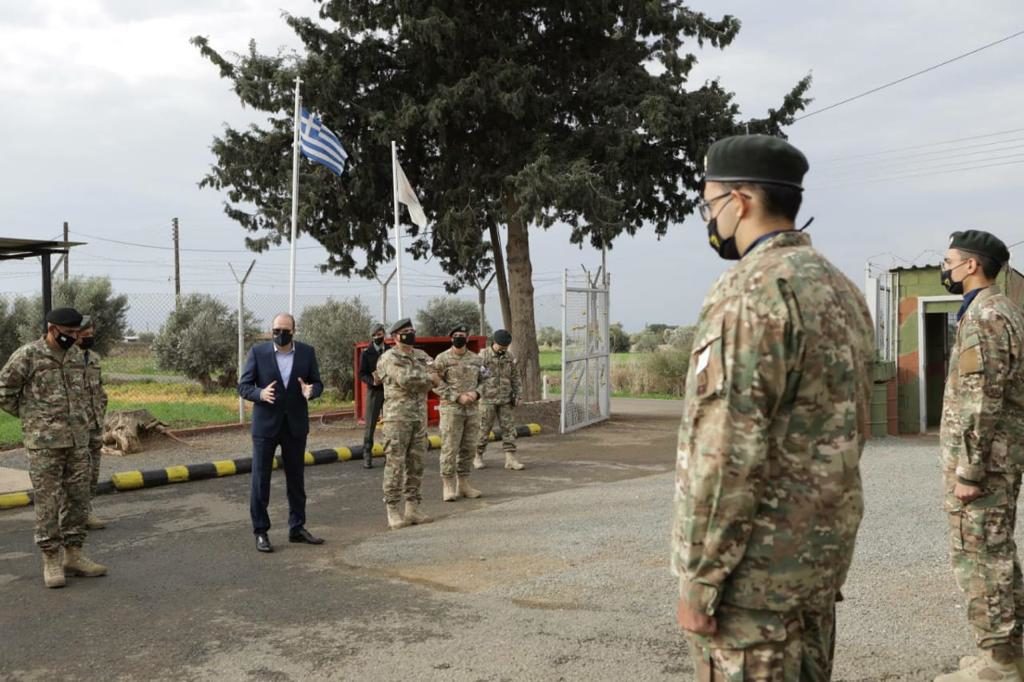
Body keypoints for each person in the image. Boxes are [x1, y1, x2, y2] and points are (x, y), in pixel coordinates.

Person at [671, 134, 874, 679]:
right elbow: (853, 425)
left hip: (752, 585)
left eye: (709, 204)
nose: (708, 218)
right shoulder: (842, 290)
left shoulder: (749, 291)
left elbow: (725, 450)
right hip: (815, 566)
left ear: (740, 202)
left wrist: (702, 578)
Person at [935, 230, 1024, 682]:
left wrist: (969, 470)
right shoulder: (997, 309)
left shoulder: (986, 315)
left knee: (981, 557)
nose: (945, 268)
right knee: (996, 553)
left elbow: (981, 397)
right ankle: (1009, 653)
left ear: (971, 265)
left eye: (949, 260)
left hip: (985, 465)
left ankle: (1001, 663)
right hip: (996, 459)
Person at [0, 307, 107, 588]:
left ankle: (74, 554)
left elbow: (87, 392)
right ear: (52, 329)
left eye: (76, 333)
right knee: (48, 502)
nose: (74, 338)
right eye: (69, 333)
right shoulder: (28, 355)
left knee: (77, 498)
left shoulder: (75, 355)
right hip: (44, 444)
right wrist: (33, 418)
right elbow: (5, 391)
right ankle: (51, 558)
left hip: (77, 440)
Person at [238, 313, 324, 553]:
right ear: (271, 330)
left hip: (295, 426)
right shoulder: (259, 353)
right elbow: (243, 386)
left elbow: (317, 383)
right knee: (260, 480)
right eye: (276, 330)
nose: (280, 334)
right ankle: (261, 531)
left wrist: (311, 390)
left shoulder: (307, 352)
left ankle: (297, 527)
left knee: (296, 479)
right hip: (266, 426)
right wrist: (260, 394)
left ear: (293, 331)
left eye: (285, 330)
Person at [376, 318, 437, 529]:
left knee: (417, 463)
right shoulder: (389, 357)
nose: (410, 334)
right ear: (395, 337)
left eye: (412, 330)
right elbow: (407, 380)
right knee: (395, 464)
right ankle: (392, 509)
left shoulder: (420, 355)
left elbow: (438, 372)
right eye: (405, 332)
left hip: (419, 418)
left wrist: (430, 377)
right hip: (397, 418)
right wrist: (430, 379)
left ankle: (413, 508)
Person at [432, 324, 487, 501]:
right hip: (451, 410)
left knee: (469, 447)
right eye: (455, 335)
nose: (459, 338)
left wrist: (476, 393)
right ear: (451, 338)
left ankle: (463, 484)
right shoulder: (442, 359)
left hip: (472, 410)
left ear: (467, 338)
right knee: (450, 447)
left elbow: (487, 380)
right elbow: (435, 383)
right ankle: (448, 486)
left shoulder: (477, 359)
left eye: (462, 335)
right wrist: (456, 396)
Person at [475, 329, 524, 471]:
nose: (503, 349)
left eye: (505, 347)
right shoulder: (482, 356)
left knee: (508, 429)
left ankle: (510, 459)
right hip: (487, 399)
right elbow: (475, 377)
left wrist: (518, 395)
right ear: (494, 343)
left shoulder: (509, 357)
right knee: (483, 429)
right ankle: (477, 456)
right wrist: (476, 394)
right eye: (501, 346)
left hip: (505, 399)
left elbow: (515, 377)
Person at [77, 316, 109, 530]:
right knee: (76, 471)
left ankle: (85, 511)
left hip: (94, 423)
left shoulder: (95, 359)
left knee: (92, 472)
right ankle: (71, 516)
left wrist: (102, 409)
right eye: (84, 335)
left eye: (91, 334)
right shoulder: (65, 359)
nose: (89, 338)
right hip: (74, 426)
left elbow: (100, 389)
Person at [358, 322, 389, 469]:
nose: (378, 337)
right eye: (375, 335)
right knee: (370, 424)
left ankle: (389, 455)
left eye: (380, 334)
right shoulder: (366, 353)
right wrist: (372, 381)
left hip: (389, 391)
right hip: (374, 391)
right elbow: (361, 374)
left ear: (384, 334)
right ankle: (367, 455)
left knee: (390, 424)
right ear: (372, 336)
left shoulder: (390, 351)